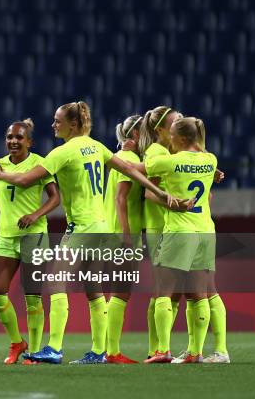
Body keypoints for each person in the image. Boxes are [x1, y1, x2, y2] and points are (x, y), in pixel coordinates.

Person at [0, 101, 179, 364]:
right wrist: (160, 191)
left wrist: (0, 176)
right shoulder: (97, 146)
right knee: (94, 290)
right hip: (101, 227)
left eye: (58, 120)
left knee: (55, 282)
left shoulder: (63, 152)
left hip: (82, 227)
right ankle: (99, 351)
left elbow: (25, 179)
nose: (54, 124)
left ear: (74, 124)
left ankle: (54, 348)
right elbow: (128, 170)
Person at [0, 119, 60, 364]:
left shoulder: (39, 163)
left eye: (19, 137)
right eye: (10, 137)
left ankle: (34, 352)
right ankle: (17, 342)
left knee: (33, 297)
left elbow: (55, 198)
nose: (13, 141)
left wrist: (36, 214)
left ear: (29, 141)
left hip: (35, 236)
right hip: (6, 237)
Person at [142, 117, 218, 364]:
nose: (169, 139)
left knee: (163, 293)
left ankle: (163, 350)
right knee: (199, 295)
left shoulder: (170, 162)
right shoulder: (211, 160)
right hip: (205, 231)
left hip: (179, 231)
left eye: (172, 135)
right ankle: (195, 352)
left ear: (183, 139)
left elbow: (143, 169)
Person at [137, 106, 184, 358]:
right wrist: (175, 203)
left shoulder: (172, 150)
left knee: (170, 290)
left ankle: (158, 347)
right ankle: (156, 348)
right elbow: (148, 193)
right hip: (158, 227)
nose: (179, 124)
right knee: (163, 289)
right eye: (175, 122)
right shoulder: (155, 151)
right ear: (161, 129)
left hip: (171, 226)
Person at [103, 115, 144, 364]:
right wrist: (127, 236)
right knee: (120, 294)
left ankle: (110, 350)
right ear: (137, 135)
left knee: (118, 293)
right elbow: (121, 198)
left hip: (115, 232)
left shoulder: (121, 158)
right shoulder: (129, 159)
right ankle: (112, 352)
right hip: (122, 235)